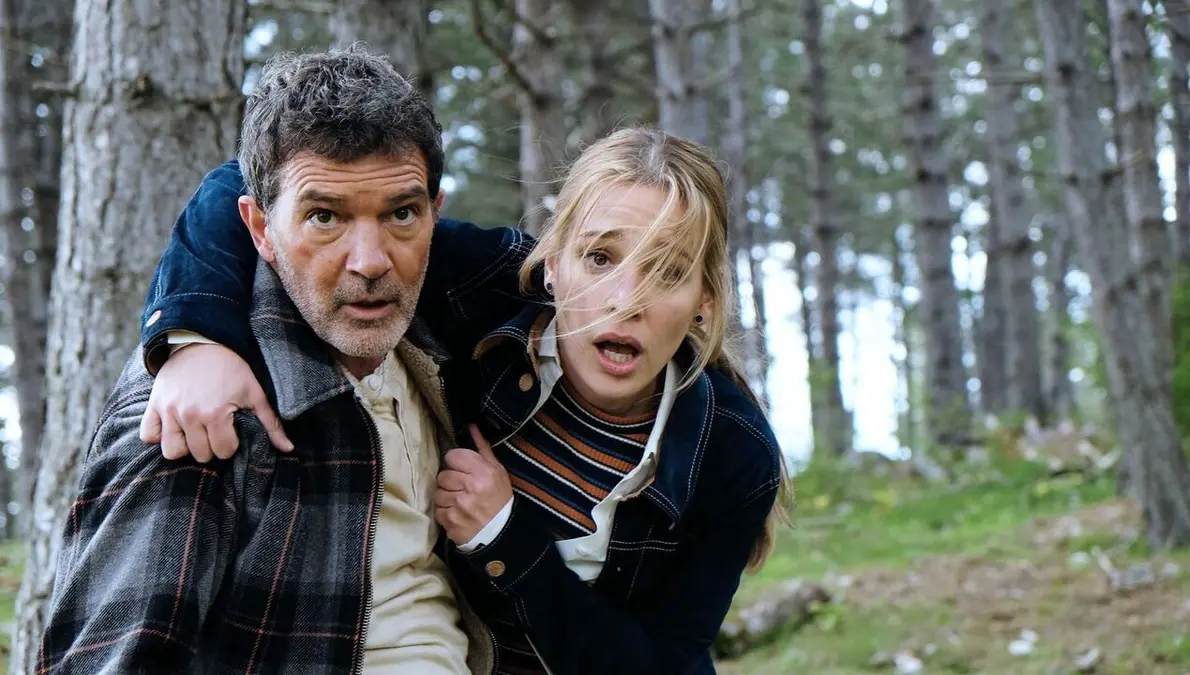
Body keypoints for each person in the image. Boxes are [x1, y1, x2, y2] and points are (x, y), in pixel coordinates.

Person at [135, 124, 792, 674]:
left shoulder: (733, 455)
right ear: (553, 261)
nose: (627, 300)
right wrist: (194, 340)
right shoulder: (484, 285)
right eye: (600, 258)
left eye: (668, 270)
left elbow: (661, 664)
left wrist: (506, 537)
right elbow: (252, 185)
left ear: (705, 301)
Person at [38, 46, 511, 674]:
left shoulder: (442, 346)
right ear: (259, 228)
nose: (371, 261)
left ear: (434, 214)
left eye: (401, 214)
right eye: (324, 217)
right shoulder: (200, 419)